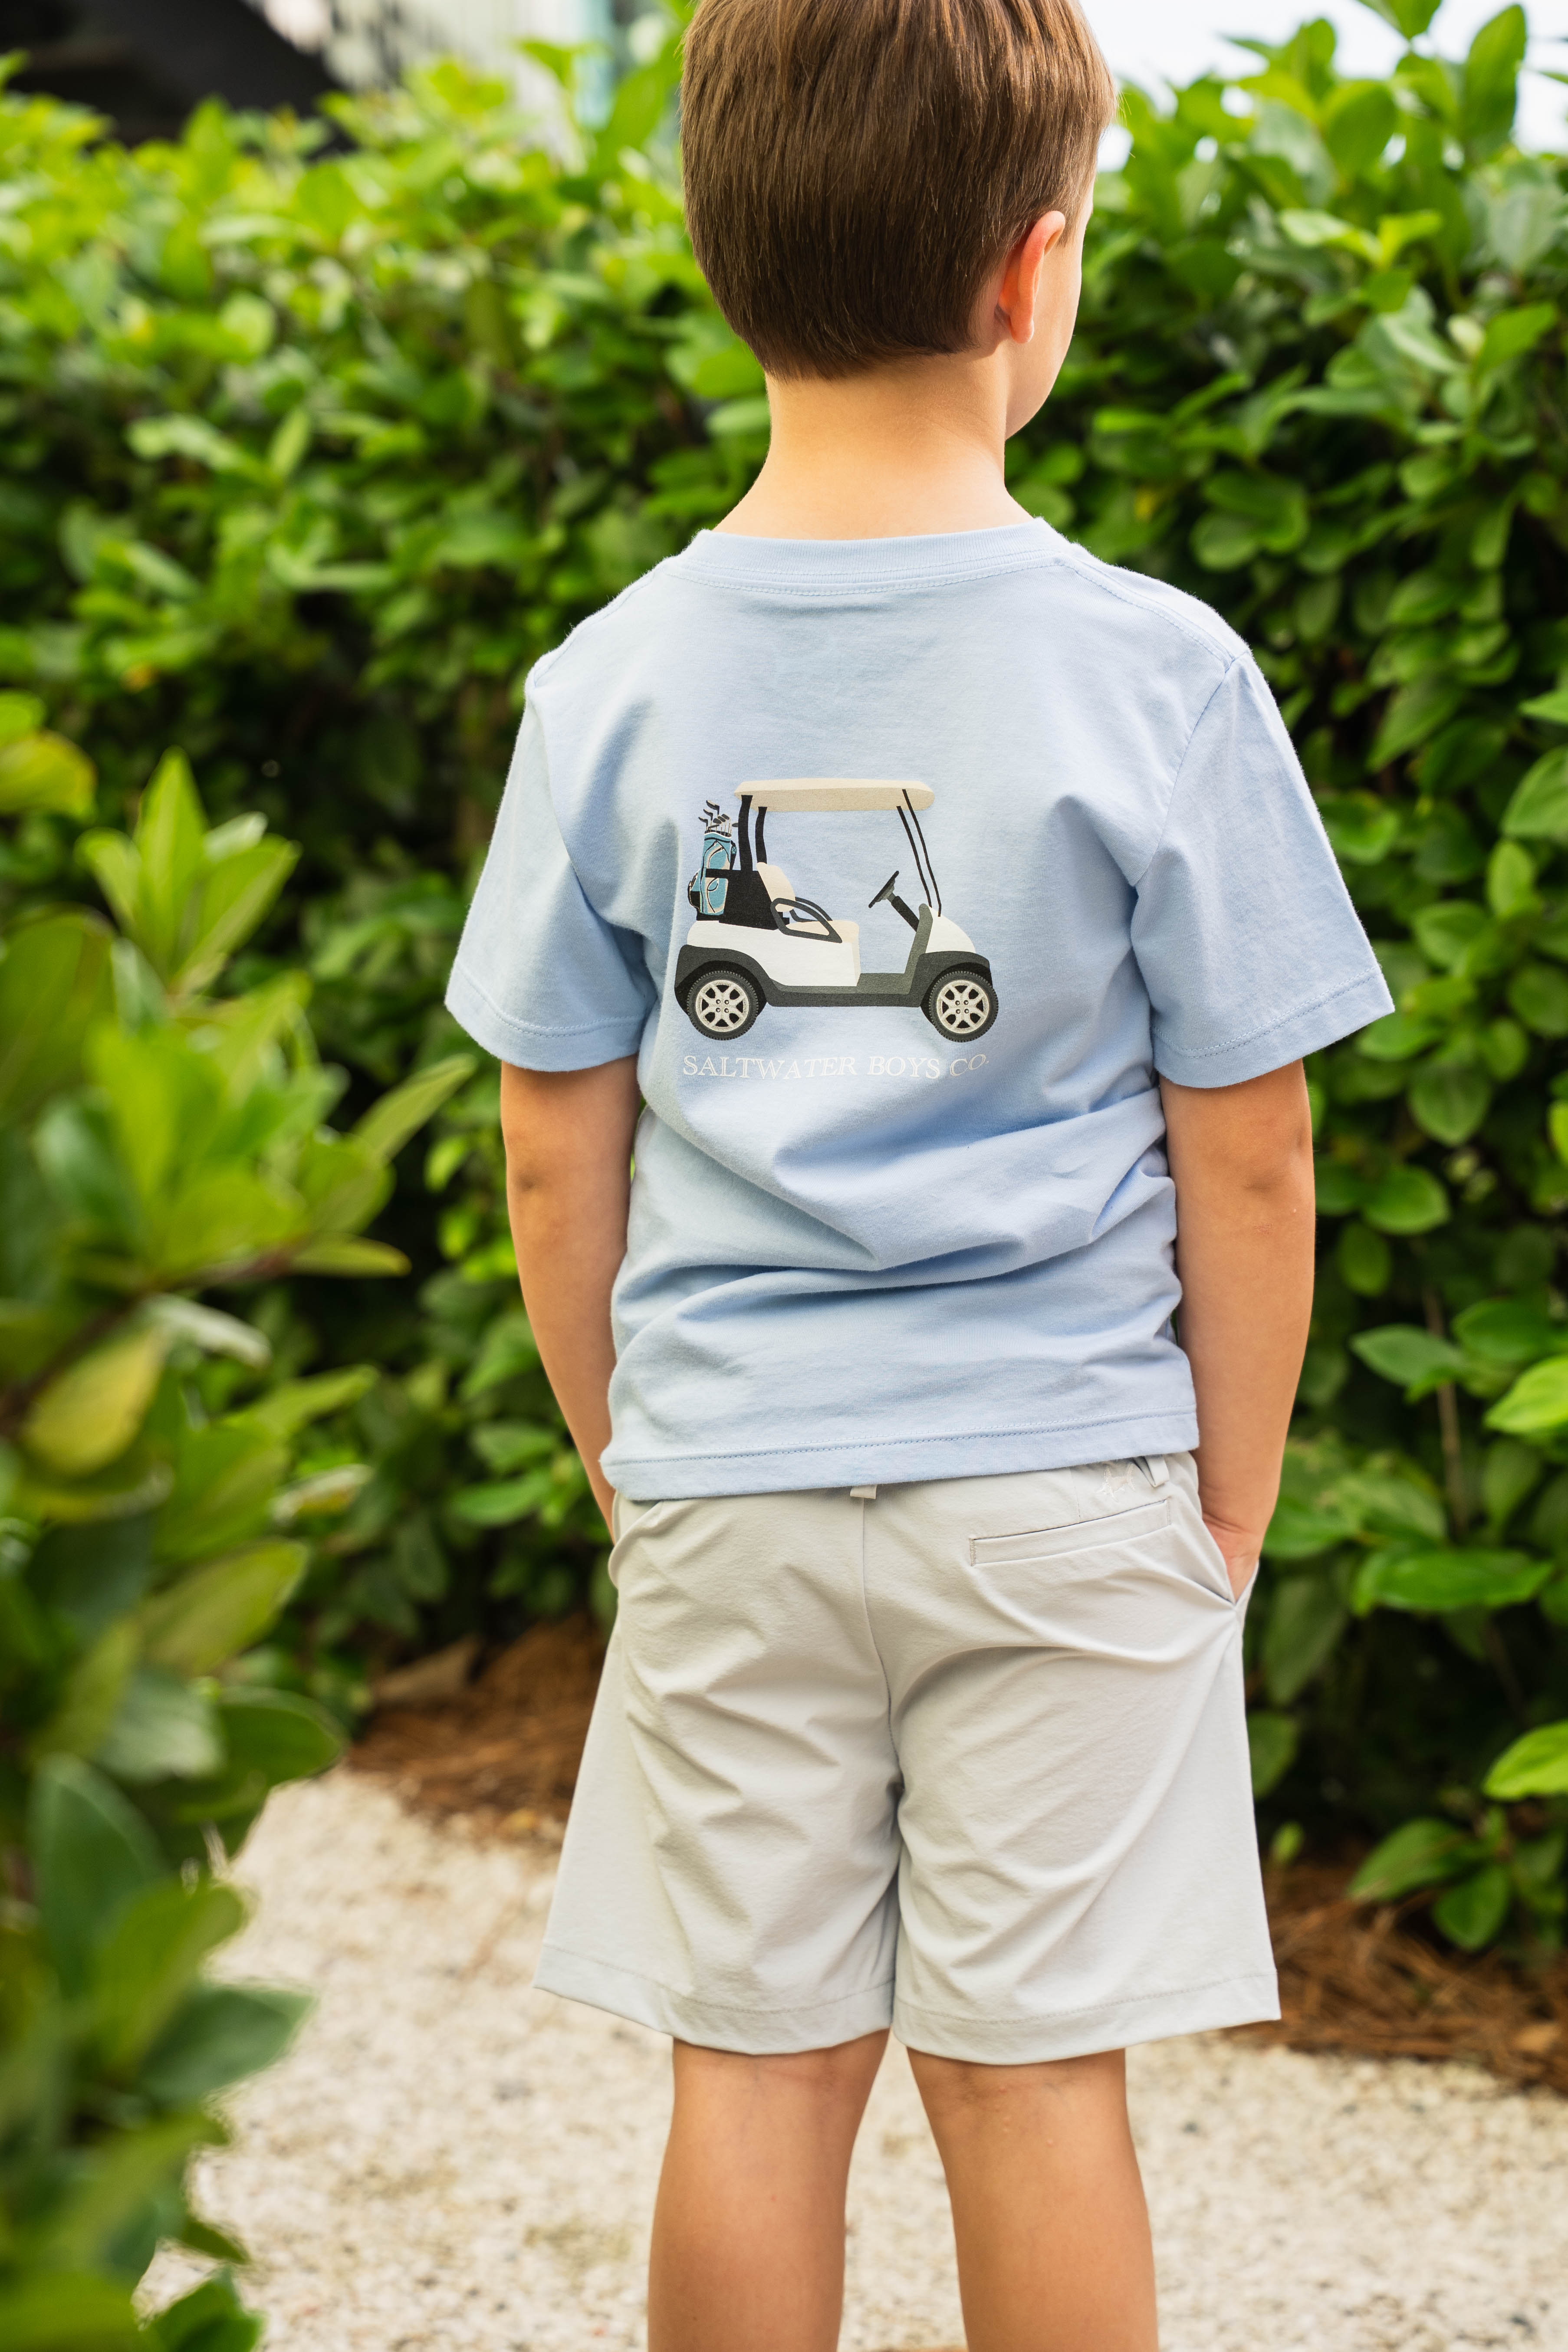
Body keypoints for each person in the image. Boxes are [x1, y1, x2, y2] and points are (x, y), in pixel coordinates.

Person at [444, 0, 1392, 2341]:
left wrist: (621, 1446)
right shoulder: (1159, 673)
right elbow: (1248, 1150)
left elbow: (557, 1147)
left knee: (753, 2072)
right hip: (1069, 1470)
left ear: (719, 257)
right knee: (1034, 2072)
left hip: (737, 1478)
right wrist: (1230, 1503)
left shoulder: (612, 684)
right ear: (1031, 275)